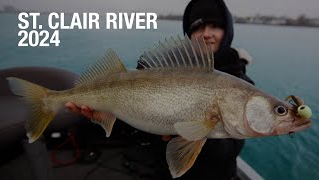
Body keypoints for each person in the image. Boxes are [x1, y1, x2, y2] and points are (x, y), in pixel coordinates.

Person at [66, 0, 255, 179]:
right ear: (189, 34)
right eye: (198, 27)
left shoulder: (242, 84)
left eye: (215, 26)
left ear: (228, 31)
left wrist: (195, 133)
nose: (206, 33)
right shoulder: (163, 71)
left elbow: (228, 152)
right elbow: (139, 120)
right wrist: (107, 117)